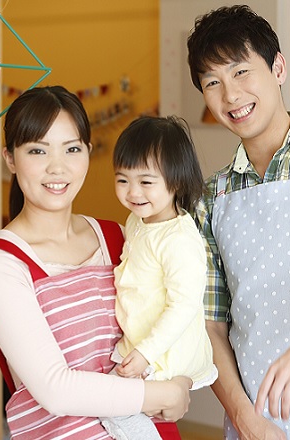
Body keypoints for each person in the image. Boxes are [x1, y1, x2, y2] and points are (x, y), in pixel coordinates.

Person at [0, 86, 192, 440]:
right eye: (37, 150)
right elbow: (55, 390)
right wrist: (165, 394)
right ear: (10, 158)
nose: (57, 167)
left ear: (88, 153)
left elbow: (177, 312)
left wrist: (183, 380)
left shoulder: (120, 237)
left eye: (72, 149)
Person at [188, 5, 290, 439]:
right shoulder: (211, 199)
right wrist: (246, 420)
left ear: (278, 68)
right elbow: (210, 326)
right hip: (260, 424)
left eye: (241, 72)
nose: (230, 95)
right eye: (213, 82)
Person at [99, 116, 218, 439]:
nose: (133, 192)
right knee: (121, 408)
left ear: (176, 182)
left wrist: (146, 353)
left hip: (165, 350)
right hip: (143, 341)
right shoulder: (138, 220)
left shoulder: (178, 239)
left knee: (114, 406)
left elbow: (184, 305)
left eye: (146, 182)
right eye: (122, 180)